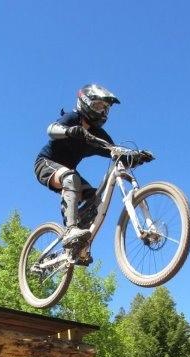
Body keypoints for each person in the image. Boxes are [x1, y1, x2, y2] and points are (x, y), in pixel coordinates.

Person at [33, 84, 120, 250]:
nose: (101, 112)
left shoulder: (97, 134)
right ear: (85, 103)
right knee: (71, 178)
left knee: (96, 198)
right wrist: (70, 131)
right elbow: (51, 129)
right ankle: (70, 229)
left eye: (105, 109)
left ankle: (78, 242)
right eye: (98, 106)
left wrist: (135, 155)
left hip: (69, 171)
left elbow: (114, 150)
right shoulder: (73, 118)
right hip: (45, 163)